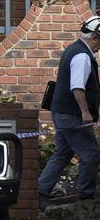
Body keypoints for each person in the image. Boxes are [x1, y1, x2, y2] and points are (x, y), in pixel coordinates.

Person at [38, 15, 100, 209]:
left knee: (63, 153)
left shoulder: (74, 49)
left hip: (63, 112)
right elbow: (77, 87)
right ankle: (86, 198)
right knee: (91, 153)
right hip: (73, 114)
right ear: (95, 37)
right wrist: (85, 112)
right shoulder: (82, 55)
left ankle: (40, 192)